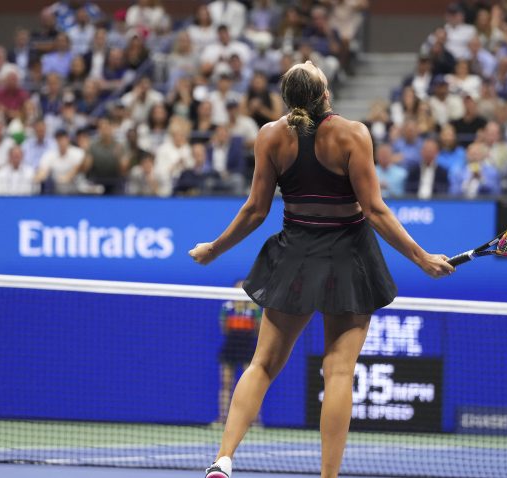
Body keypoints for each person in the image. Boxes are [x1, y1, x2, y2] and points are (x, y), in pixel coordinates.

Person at [189, 61, 453, 478]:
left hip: (295, 256)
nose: (310, 60)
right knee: (339, 372)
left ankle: (223, 459)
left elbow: (255, 211)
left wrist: (214, 249)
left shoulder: (270, 137)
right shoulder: (352, 135)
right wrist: (421, 257)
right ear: (324, 92)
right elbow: (376, 211)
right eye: (309, 66)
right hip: (348, 258)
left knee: (262, 365)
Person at [215, 279, 262, 427]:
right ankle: (223, 417)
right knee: (226, 384)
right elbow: (224, 327)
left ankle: (254, 419)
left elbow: (259, 329)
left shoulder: (255, 308)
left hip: (248, 347)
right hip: (230, 347)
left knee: (252, 385)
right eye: (238, 287)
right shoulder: (227, 308)